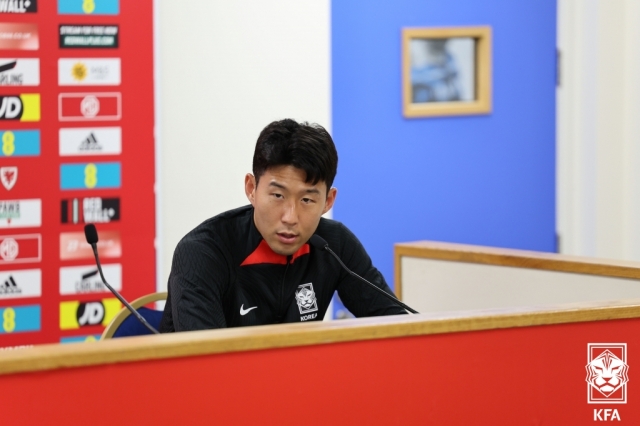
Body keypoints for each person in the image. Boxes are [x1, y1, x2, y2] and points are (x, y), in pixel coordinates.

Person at [159, 119, 406, 332]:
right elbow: (206, 366)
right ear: (251, 189)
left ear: (328, 201)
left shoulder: (335, 245)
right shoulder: (203, 252)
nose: (290, 217)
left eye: (307, 200)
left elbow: (398, 330)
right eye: (278, 196)